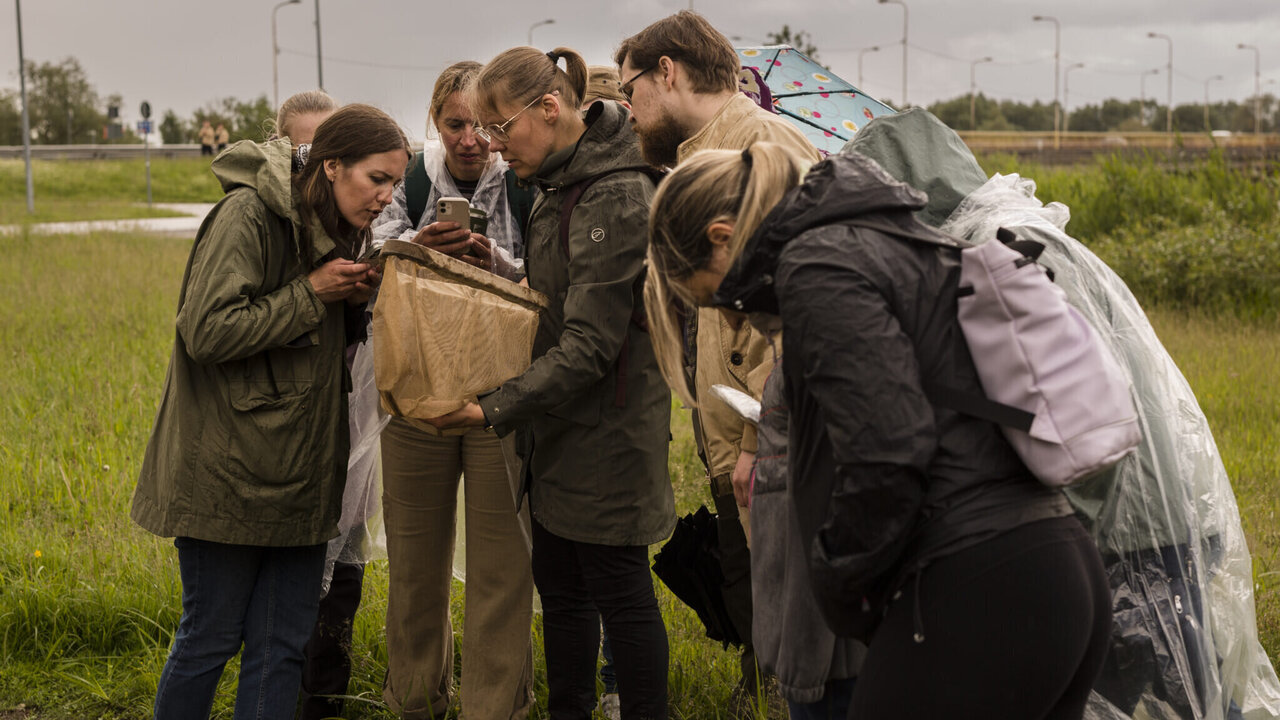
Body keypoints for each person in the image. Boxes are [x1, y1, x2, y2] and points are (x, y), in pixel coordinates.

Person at [643, 142, 1113, 720]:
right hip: (1047, 564)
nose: (728, 313)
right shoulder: (884, 241)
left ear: (721, 237)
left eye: (711, 295)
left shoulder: (819, 267)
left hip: (974, 584)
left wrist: (841, 587)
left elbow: (888, 448)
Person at [130, 103, 409, 719]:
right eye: (377, 179)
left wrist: (356, 299)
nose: (388, 197)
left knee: (284, 646)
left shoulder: (339, 224)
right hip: (225, 475)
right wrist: (313, 293)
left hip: (304, 475)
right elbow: (206, 331)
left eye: (397, 183)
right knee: (210, 637)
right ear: (331, 166)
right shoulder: (248, 214)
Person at [425, 46, 674, 720]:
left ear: (550, 106)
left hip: (610, 434)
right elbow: (552, 300)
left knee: (619, 593)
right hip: (559, 430)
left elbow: (592, 342)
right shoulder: (556, 184)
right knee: (561, 591)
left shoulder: (615, 192)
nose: (495, 149)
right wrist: (502, 277)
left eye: (502, 129)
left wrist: (490, 409)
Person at [615, 11, 822, 715]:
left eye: (630, 89)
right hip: (734, 428)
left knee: (792, 609)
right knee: (754, 592)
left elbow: (797, 309)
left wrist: (761, 439)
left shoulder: (758, 147)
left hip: (764, 435)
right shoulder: (705, 149)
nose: (628, 108)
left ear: (666, 72)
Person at [370, 60, 536, 720]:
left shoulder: (523, 177)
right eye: (454, 123)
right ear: (435, 121)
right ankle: (414, 703)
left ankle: (493, 710)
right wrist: (419, 244)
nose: (470, 139)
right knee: (414, 569)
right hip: (417, 390)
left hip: (503, 393)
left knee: (501, 574)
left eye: (483, 125)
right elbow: (369, 251)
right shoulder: (409, 175)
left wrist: (495, 260)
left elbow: (551, 274)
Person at [264, 89, 372, 720]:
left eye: (336, 150)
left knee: (344, 568)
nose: (322, 165)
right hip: (284, 425)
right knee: (284, 580)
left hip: (348, 422)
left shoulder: (361, 221)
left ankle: (324, 698)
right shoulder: (262, 221)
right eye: (309, 149)